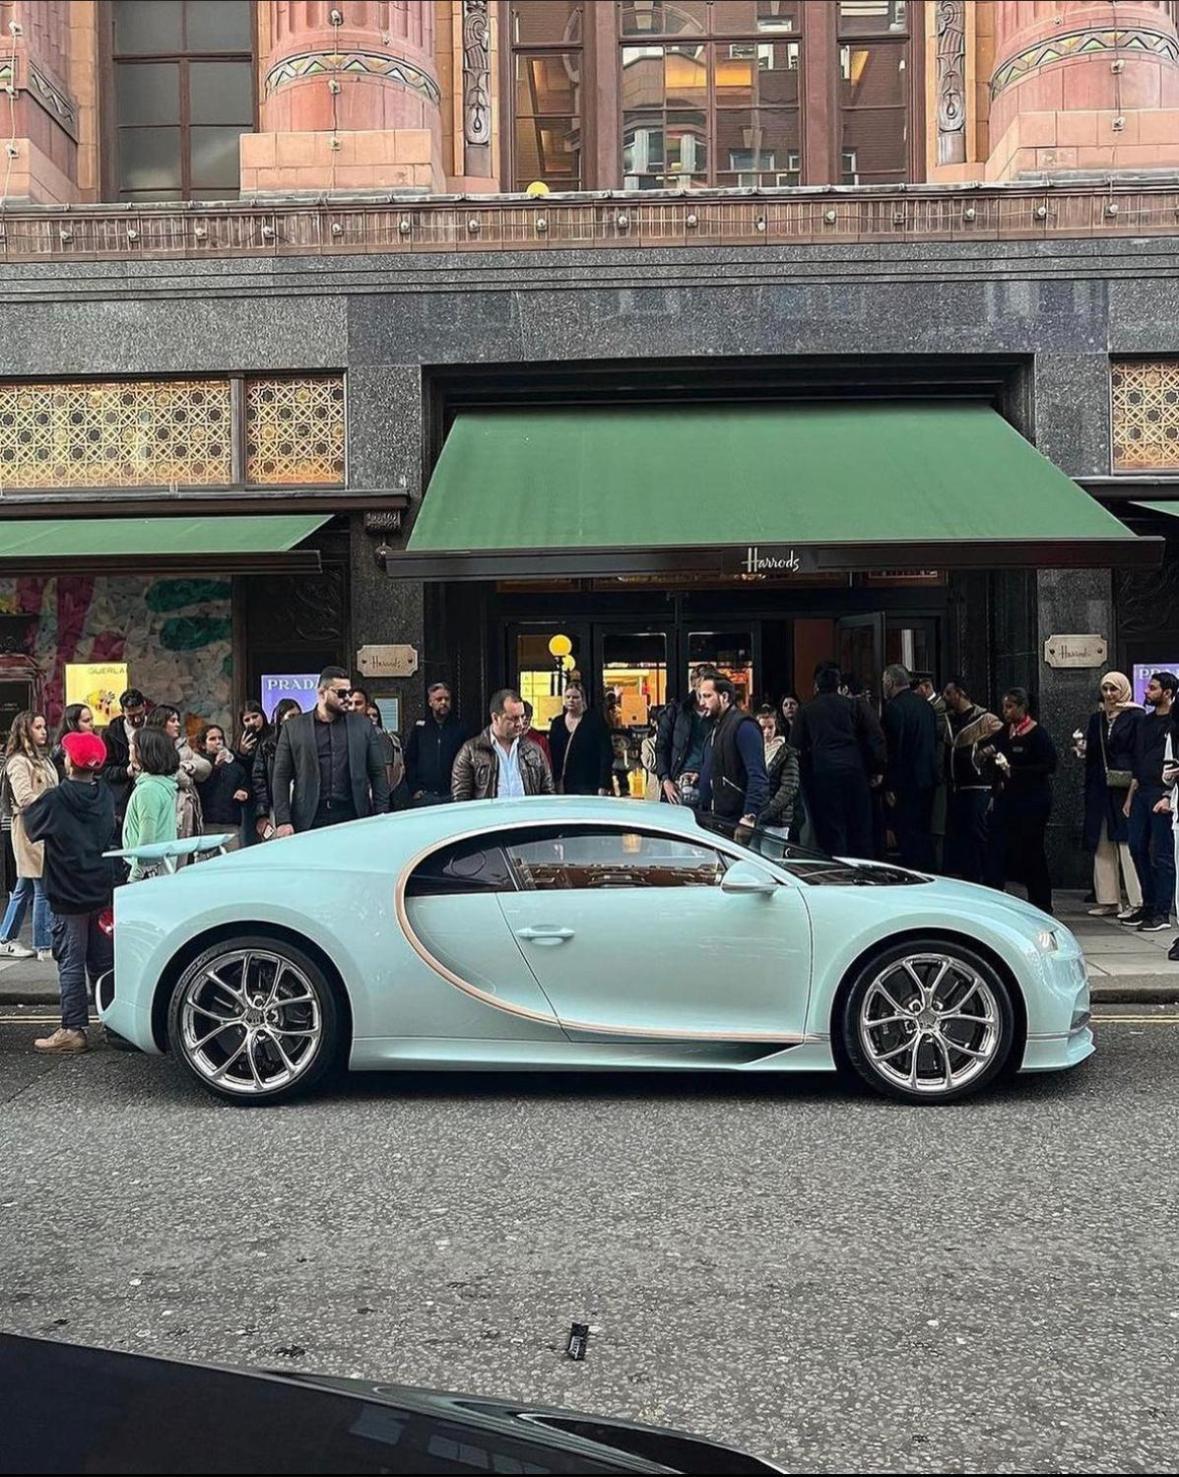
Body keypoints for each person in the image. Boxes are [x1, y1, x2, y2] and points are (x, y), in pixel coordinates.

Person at [24, 730, 117, 1054]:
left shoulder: (57, 798)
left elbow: (31, 826)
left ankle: (72, 1029)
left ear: (68, 761)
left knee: (71, 961)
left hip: (67, 893)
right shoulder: (104, 794)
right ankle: (116, 1026)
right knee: (104, 962)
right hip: (101, 888)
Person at [272, 667, 391, 835]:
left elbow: (378, 772)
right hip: (309, 818)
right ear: (322, 693)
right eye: (341, 693)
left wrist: (381, 814)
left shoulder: (363, 726)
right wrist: (283, 820)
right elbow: (281, 776)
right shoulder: (294, 728)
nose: (347, 699)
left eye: (349, 693)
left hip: (353, 816)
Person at [792, 664, 884, 858]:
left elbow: (795, 745)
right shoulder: (853, 706)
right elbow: (874, 736)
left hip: (823, 773)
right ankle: (862, 869)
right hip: (854, 771)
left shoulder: (807, 710)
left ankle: (838, 869)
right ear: (838, 685)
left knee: (831, 827)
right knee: (859, 826)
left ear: (816, 685)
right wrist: (876, 768)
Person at [984, 687, 1058, 915]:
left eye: (1010, 707)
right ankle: (996, 892)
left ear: (1022, 707)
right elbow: (993, 746)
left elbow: (1049, 765)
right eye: (1004, 707)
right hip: (1008, 798)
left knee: (1032, 849)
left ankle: (1042, 901)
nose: (1005, 712)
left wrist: (1015, 770)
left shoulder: (1037, 734)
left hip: (1032, 799)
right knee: (999, 846)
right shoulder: (1008, 730)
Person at [1079, 671, 1144, 918]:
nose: (1109, 694)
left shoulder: (1136, 716)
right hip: (1101, 787)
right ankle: (1108, 899)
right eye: (1105, 689)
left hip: (1126, 786)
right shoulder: (1098, 719)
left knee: (1127, 842)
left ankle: (1137, 900)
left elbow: (1139, 752)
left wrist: (1133, 790)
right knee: (1102, 842)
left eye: (1113, 689)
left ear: (1123, 690)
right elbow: (1095, 755)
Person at [0, 711, 59, 960]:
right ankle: (44, 944)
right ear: (25, 730)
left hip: (43, 826)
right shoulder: (18, 762)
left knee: (25, 886)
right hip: (30, 827)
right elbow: (24, 797)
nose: (43, 731)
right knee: (41, 884)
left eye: (44, 726)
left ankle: (5, 937)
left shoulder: (42, 759)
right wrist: (55, 801)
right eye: (38, 727)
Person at [1124, 671, 1178, 931]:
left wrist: (1167, 794)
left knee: (1162, 854)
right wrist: (1130, 795)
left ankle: (1162, 911)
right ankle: (1148, 904)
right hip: (1143, 790)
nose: (1147, 692)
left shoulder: (1173, 723)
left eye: (1153, 688)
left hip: (1162, 792)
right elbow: (1138, 760)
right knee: (1136, 846)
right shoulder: (1144, 723)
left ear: (1167, 692)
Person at [941, 676, 1001, 885]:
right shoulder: (948, 720)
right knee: (962, 836)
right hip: (957, 786)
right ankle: (969, 877)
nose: (945, 697)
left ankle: (985, 878)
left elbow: (1003, 742)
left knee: (978, 835)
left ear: (960, 693)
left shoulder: (985, 719)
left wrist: (985, 752)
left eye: (949, 693)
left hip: (979, 786)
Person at [881, 662, 939, 871]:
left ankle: (915, 878)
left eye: (884, 682)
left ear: (891, 682)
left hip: (906, 783)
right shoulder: (926, 706)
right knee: (924, 832)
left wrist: (889, 785)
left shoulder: (893, 708)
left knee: (908, 836)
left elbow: (894, 750)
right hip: (928, 779)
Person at [452, 688, 555, 801]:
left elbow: (548, 793)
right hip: (490, 817)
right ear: (495, 718)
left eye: (522, 717)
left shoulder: (534, 750)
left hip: (526, 816)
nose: (520, 724)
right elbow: (461, 799)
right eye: (514, 718)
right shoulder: (471, 751)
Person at [697, 676, 768, 838]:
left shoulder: (744, 726)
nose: (702, 702)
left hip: (735, 822)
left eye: (707, 696)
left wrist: (749, 816)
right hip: (716, 820)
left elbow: (758, 776)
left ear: (724, 697)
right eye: (701, 696)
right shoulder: (716, 727)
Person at [654, 663, 719, 807]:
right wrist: (665, 780)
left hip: (707, 783)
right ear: (695, 686)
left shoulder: (720, 716)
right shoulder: (677, 712)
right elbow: (661, 747)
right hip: (677, 782)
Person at [143, 704, 210, 839]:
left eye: (177, 720)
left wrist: (191, 766)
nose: (178, 724)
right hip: (167, 809)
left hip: (187, 811)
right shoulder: (150, 748)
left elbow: (206, 766)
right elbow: (181, 778)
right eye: (172, 721)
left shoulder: (183, 746)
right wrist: (183, 774)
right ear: (161, 723)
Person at [121, 726, 180, 881]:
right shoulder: (163, 784)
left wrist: (135, 876)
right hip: (161, 868)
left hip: (147, 872)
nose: (130, 748)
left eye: (133, 746)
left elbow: (147, 839)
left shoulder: (148, 790)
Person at [405, 682, 467, 807]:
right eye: (439, 699)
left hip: (452, 795)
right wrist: (415, 789)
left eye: (447, 699)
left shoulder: (460, 728)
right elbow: (410, 760)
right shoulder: (420, 729)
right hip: (425, 796)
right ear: (430, 702)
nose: (443, 702)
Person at [547, 683, 613, 796]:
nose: (571, 700)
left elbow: (606, 754)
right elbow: (552, 753)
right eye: (568, 697)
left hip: (589, 783)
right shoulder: (557, 723)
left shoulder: (595, 721)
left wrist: (604, 784)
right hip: (562, 783)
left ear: (583, 699)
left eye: (575, 697)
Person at [251, 698, 302, 841]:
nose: (296, 721)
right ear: (280, 719)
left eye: (299, 716)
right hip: (275, 806)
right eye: (291, 717)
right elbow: (259, 780)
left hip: (301, 804)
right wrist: (262, 814)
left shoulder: (307, 743)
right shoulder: (267, 745)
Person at [912, 671, 949, 867]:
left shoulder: (939, 708)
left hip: (937, 774)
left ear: (925, 687)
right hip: (930, 774)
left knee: (936, 828)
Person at [195, 724, 251, 849]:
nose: (218, 742)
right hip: (208, 824)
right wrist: (216, 767)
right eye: (212, 739)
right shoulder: (199, 764)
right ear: (203, 744)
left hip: (230, 824)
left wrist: (244, 791)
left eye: (220, 738)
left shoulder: (232, 764)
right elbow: (201, 790)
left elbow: (245, 781)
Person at [100, 687, 148, 824]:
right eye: (131, 716)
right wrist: (126, 771)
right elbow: (105, 770)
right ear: (122, 712)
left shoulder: (154, 727)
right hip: (122, 797)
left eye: (140, 713)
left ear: (144, 706)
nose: (137, 720)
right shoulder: (111, 734)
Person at [757, 704, 799, 837]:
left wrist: (768, 810)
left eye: (770, 727)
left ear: (777, 727)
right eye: (762, 727)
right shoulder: (754, 750)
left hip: (777, 819)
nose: (767, 732)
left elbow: (789, 787)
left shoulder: (785, 752)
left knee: (771, 857)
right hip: (754, 816)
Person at [364, 702, 405, 804]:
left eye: (375, 715)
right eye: (368, 715)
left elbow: (386, 768)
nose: (372, 718)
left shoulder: (382, 736)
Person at [51, 703, 95, 779]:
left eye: (92, 719)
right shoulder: (61, 750)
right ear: (73, 724)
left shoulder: (96, 744)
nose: (91, 724)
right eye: (86, 721)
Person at [236, 701, 268, 774]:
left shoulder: (274, 733)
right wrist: (242, 754)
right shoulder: (241, 741)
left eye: (255, 717)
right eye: (247, 720)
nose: (252, 722)